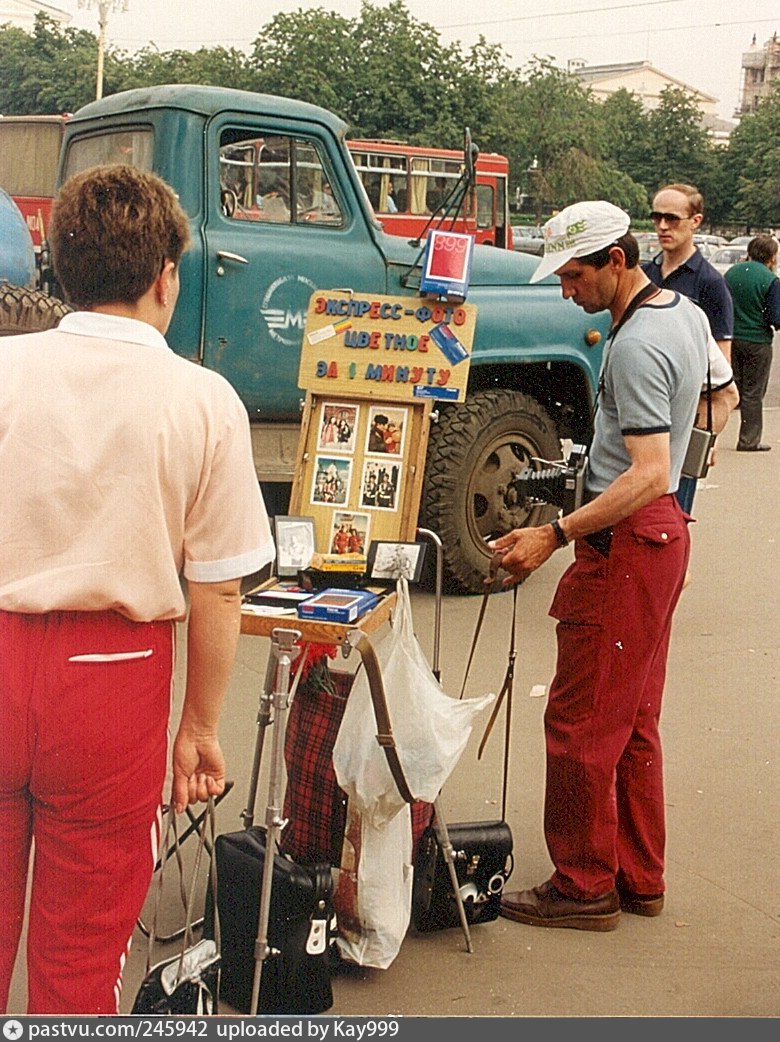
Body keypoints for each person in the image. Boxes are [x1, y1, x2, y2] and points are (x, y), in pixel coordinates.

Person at [0, 165, 275, 1014]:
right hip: (113, 678)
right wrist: (198, 728)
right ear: (167, 277)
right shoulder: (202, 399)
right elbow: (219, 590)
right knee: (80, 965)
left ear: (60, 270)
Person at [491, 201, 708, 932]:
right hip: (660, 538)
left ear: (617, 260)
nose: (566, 291)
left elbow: (647, 471)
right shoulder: (682, 311)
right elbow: (706, 414)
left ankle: (585, 883)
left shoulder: (640, 342)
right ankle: (639, 874)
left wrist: (554, 533)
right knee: (635, 717)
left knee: (582, 719)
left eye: (574, 275)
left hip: (626, 544)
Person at [643, 183, 735, 513]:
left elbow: (721, 367)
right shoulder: (645, 273)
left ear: (696, 221)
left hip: (686, 417)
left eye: (672, 218)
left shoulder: (710, 283)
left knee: (673, 517)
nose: (662, 226)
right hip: (645, 408)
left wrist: (711, 435)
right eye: (656, 217)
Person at [725, 235, 780, 452]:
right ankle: (748, 440)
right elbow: (775, 317)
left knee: (729, 389)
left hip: (731, 338)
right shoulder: (770, 280)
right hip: (757, 341)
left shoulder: (731, 273)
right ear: (772, 257)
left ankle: (710, 436)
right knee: (753, 393)